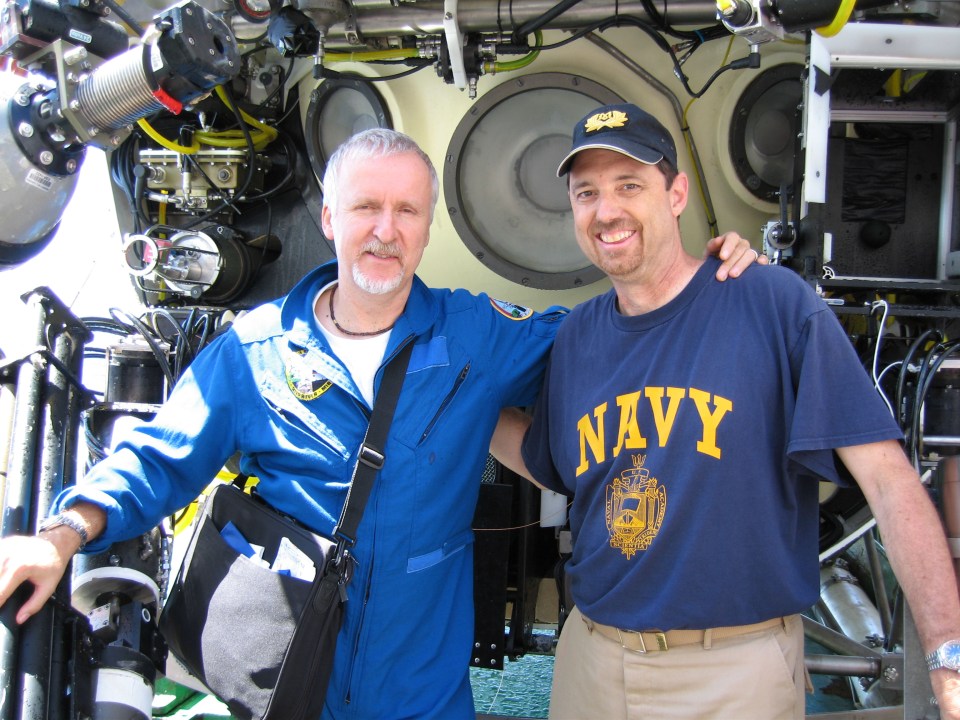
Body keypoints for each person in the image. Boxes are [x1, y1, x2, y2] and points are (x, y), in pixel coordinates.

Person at [0, 128, 759, 720]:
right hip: (291, 684)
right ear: (330, 218)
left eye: (406, 211)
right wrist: (60, 534)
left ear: (429, 226)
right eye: (366, 207)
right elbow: (159, 460)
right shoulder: (254, 352)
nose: (385, 231)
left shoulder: (475, 335)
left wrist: (704, 277)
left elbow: (616, 336)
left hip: (422, 695)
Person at [491, 103, 960, 720]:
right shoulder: (578, 336)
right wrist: (452, 399)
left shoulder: (772, 303)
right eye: (587, 193)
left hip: (733, 671)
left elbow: (889, 482)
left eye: (629, 185)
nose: (607, 211)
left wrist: (947, 653)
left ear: (677, 193)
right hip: (594, 660)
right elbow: (549, 464)